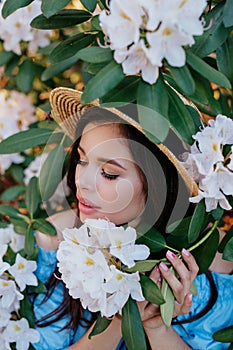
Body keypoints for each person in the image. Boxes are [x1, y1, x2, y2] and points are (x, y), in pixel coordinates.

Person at [32, 87, 233, 350]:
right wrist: (120, 316)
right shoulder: (56, 238)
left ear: (159, 184)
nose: (82, 182)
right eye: (81, 160)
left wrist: (156, 326)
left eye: (109, 173)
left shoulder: (214, 259)